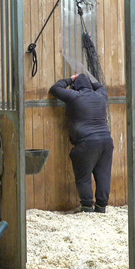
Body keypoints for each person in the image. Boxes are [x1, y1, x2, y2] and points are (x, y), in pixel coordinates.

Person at [49, 73, 113, 213]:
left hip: (86, 142)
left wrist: (70, 79)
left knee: (83, 177)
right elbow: (100, 86)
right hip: (106, 141)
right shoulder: (102, 95)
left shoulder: (74, 96)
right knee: (103, 175)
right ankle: (101, 207)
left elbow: (55, 88)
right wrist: (90, 79)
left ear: (75, 87)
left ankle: (87, 207)